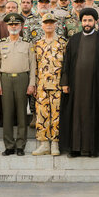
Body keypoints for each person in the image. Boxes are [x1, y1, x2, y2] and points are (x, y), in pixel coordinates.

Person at [59, 8, 99, 157]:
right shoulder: (74, 40)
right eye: (85, 20)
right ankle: (75, 148)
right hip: (76, 87)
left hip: (95, 88)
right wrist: (65, 82)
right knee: (75, 117)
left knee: (94, 117)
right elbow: (67, 63)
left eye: (90, 20)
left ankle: (93, 149)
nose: (87, 23)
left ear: (96, 22)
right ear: (81, 22)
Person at [0, 13, 36, 156]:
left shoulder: (27, 43)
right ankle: (9, 145)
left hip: (22, 79)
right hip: (5, 80)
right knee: (7, 114)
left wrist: (31, 84)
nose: (13, 27)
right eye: (11, 24)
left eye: (16, 24)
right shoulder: (1, 43)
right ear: (7, 26)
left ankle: (20, 145)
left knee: (21, 114)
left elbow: (33, 65)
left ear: (21, 26)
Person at [31, 13, 67, 156]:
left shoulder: (63, 43)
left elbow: (67, 66)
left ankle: (55, 144)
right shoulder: (38, 44)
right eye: (46, 22)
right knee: (42, 114)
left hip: (58, 85)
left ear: (56, 24)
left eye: (52, 22)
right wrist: (33, 84)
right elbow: (35, 66)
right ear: (42, 25)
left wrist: (66, 83)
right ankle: (44, 144)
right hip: (42, 86)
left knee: (57, 115)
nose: (49, 25)